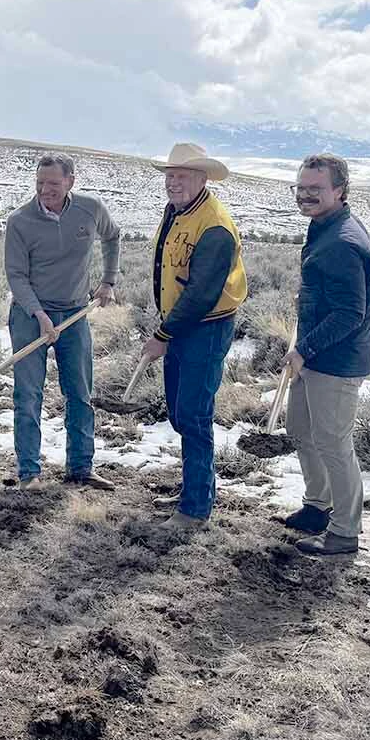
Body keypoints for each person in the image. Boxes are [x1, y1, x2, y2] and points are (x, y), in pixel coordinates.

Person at [140, 143, 248, 529]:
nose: (173, 182)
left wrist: (163, 333)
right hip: (182, 324)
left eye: (182, 175)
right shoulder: (177, 212)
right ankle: (194, 488)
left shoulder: (214, 226)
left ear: (202, 178)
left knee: (194, 415)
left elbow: (202, 292)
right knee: (181, 412)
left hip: (204, 327)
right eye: (170, 175)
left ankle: (195, 508)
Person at [3, 151, 121, 491]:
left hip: (74, 313)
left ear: (71, 181)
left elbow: (113, 236)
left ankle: (81, 468)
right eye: (40, 183)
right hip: (29, 314)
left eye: (53, 183)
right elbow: (16, 275)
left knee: (80, 393)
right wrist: (39, 314)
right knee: (28, 394)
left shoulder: (90, 209)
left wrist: (108, 281)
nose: (45, 190)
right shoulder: (20, 220)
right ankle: (29, 473)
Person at [282, 153, 370, 556]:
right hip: (316, 354)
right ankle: (318, 506)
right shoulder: (324, 227)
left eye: (315, 189)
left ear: (340, 191)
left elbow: (349, 314)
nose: (305, 196)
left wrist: (304, 348)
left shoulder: (341, 242)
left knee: (335, 444)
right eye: (301, 188)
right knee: (302, 431)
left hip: (335, 362)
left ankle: (343, 533)